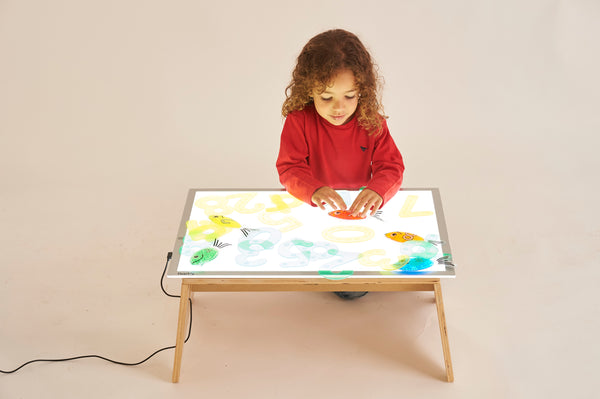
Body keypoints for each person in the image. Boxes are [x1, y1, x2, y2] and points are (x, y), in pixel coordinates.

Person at [276, 29, 405, 300]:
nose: (339, 107)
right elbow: (289, 168)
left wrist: (378, 191)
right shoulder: (299, 121)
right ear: (308, 89)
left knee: (351, 290)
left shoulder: (371, 121)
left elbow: (392, 166)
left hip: (358, 212)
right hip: (312, 208)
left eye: (350, 95)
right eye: (326, 97)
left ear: (362, 90)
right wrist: (313, 190)